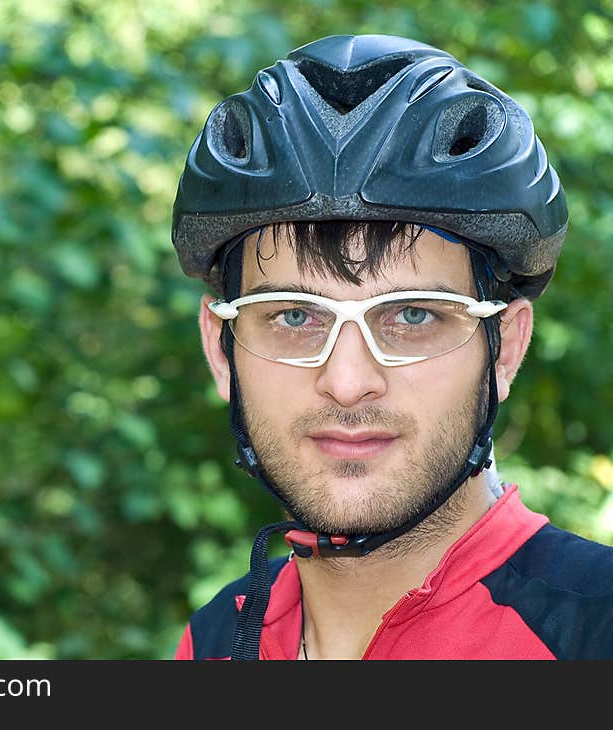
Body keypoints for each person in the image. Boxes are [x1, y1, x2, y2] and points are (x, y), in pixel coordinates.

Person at [169, 33, 613, 660]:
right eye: (295, 315)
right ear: (222, 350)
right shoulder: (215, 641)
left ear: (505, 350)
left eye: (412, 314)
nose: (348, 381)